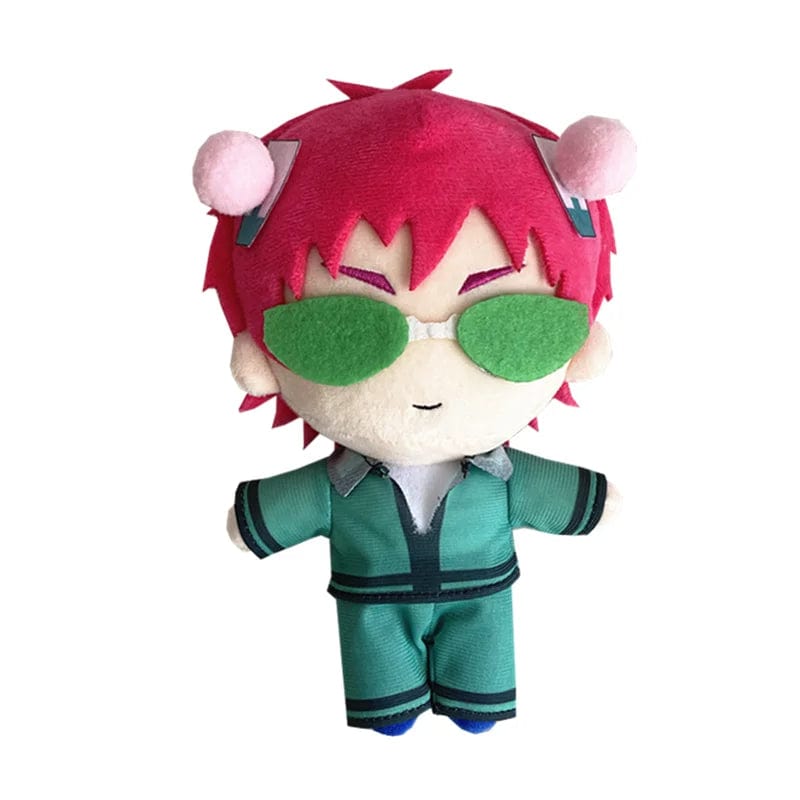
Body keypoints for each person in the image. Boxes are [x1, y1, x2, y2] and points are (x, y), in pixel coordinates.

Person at [193, 70, 635, 734]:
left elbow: (565, 497)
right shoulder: (340, 487)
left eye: (508, 327)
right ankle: (392, 706)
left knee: (482, 687)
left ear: (580, 344)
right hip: (371, 609)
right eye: (343, 333)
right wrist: (257, 519)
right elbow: (278, 511)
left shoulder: (501, 479)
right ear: (262, 359)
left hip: (481, 603)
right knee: (385, 707)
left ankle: (474, 696)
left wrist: (593, 501)